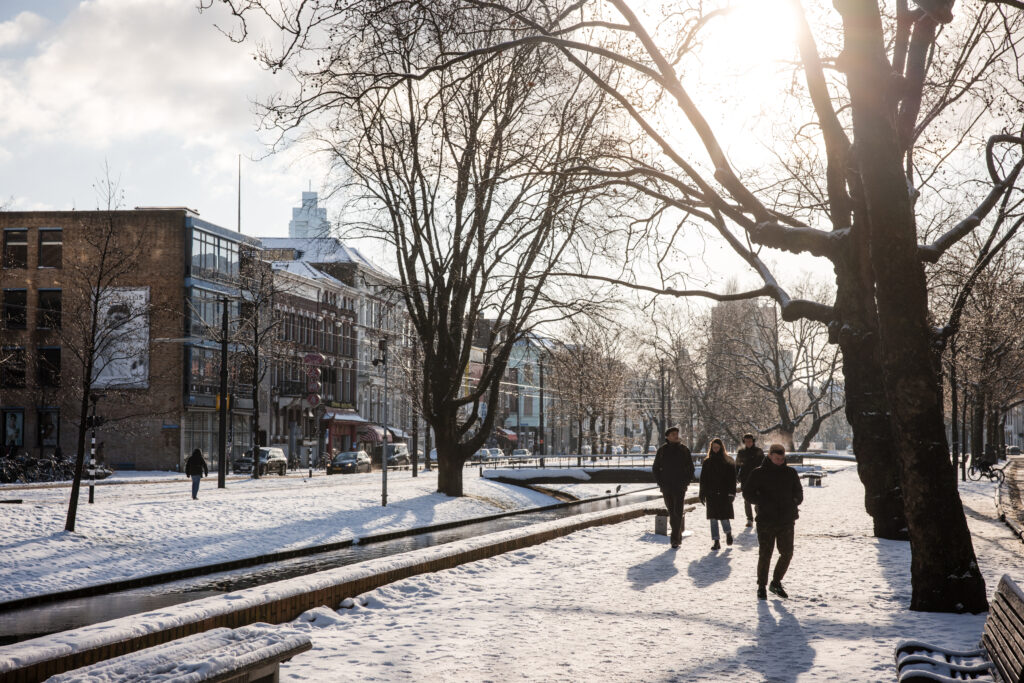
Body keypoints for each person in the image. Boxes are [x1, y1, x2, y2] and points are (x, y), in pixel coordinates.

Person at [743, 443, 803, 600]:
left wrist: (794, 501)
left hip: (786, 520)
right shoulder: (758, 473)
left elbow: (799, 492)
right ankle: (761, 586)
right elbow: (747, 493)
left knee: (787, 553)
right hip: (766, 520)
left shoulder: (790, 473)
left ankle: (776, 582)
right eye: (777, 458)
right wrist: (761, 502)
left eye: (782, 458)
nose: (780, 461)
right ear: (769, 456)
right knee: (765, 554)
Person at [653, 426, 694, 549]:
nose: (676, 436)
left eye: (676, 433)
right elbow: (655, 468)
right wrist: (660, 483)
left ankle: (674, 539)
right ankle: (677, 537)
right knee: (672, 512)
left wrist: (686, 482)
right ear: (667, 437)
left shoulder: (684, 450)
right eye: (673, 434)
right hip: (666, 487)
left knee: (678, 511)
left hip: (680, 487)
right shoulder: (662, 450)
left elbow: (690, 468)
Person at [699, 438, 737, 550]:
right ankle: (716, 541)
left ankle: (728, 533)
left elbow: (732, 479)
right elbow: (703, 479)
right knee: (713, 519)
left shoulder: (728, 460)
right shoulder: (707, 462)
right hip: (711, 494)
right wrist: (702, 493)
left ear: (721, 447)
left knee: (724, 517)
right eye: (714, 447)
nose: (715, 449)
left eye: (717, 447)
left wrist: (731, 493)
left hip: (724, 494)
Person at [735, 433, 765, 527]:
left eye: (750, 441)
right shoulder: (741, 452)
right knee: (746, 499)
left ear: (753, 441)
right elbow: (737, 465)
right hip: (745, 479)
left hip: (758, 479)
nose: (748, 443)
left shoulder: (759, 451)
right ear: (744, 441)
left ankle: (759, 515)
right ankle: (749, 519)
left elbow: (764, 465)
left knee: (759, 498)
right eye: (746, 441)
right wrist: (735, 475)